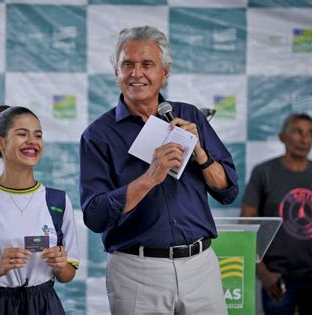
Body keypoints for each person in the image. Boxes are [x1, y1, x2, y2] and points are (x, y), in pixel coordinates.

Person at [79, 25, 238, 315]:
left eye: (147, 64)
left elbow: (228, 190)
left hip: (200, 266)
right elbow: (95, 215)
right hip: (137, 272)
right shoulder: (98, 135)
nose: (136, 73)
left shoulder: (189, 116)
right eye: (127, 64)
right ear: (116, 73)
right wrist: (151, 177)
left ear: (164, 74)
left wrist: (200, 153)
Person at [0, 105, 80, 315]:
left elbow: (67, 275)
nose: (32, 142)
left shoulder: (57, 200)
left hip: (45, 305)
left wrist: (60, 265)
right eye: (22, 134)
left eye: (38, 135)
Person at [241, 112, 312, 315]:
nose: (304, 139)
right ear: (282, 137)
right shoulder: (264, 172)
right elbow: (246, 225)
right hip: (278, 277)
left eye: (310, 133)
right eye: (297, 132)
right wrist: (263, 273)